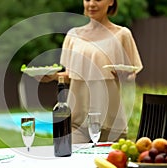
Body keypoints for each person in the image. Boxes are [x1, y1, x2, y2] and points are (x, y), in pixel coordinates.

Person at [38, 0, 143, 143]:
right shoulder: (73, 35)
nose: (91, 4)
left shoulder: (122, 34)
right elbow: (70, 75)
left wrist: (125, 77)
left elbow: (131, 73)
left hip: (110, 121)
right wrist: (53, 76)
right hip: (77, 120)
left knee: (109, 164)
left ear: (111, 2)